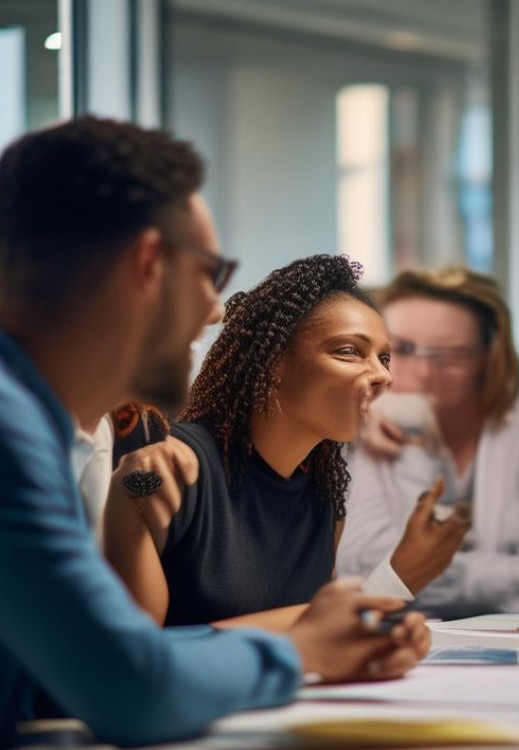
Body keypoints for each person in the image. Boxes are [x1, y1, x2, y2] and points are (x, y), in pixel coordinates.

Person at [0, 118, 427, 747]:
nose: (214, 312)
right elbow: (131, 684)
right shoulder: (17, 432)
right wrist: (300, 647)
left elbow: (60, 680)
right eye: (210, 273)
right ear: (147, 263)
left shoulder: (46, 427)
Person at [103, 254, 468, 628]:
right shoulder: (177, 468)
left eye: (384, 358)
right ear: (273, 362)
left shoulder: (323, 494)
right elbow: (136, 656)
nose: (382, 376)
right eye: (349, 351)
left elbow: (313, 639)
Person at [337, 267, 519, 619]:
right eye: (401, 349)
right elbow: (363, 569)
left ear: (487, 358)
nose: (423, 372)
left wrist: (419, 573)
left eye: (450, 355)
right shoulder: (353, 425)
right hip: (392, 639)